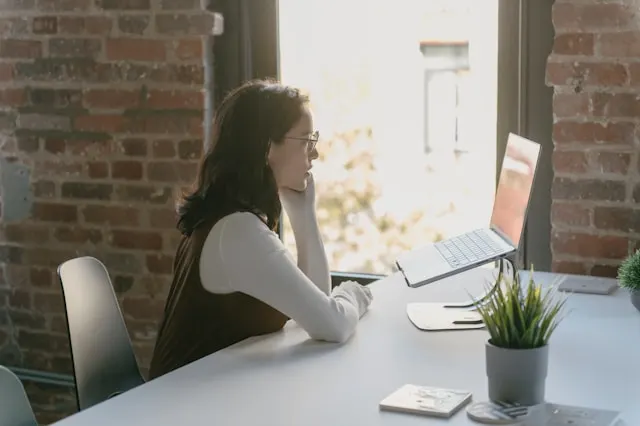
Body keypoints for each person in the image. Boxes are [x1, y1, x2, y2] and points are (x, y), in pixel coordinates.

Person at [148, 79, 373, 379]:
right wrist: (354, 295)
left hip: (208, 400)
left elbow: (315, 305)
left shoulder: (228, 217)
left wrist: (303, 213)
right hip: (180, 412)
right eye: (306, 140)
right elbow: (333, 325)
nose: (315, 153)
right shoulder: (239, 232)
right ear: (267, 147)